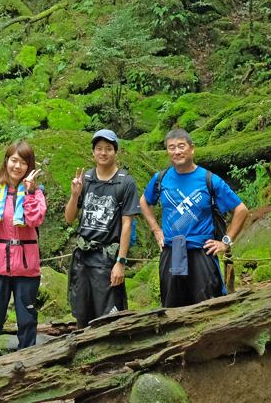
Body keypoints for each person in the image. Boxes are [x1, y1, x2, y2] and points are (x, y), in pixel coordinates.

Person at [138, 129, 249, 308]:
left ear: (192, 149)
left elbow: (241, 210)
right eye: (171, 147)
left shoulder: (209, 179)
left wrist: (226, 242)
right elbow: (144, 201)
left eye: (181, 146)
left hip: (202, 251)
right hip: (171, 250)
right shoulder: (161, 179)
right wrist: (156, 229)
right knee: (171, 306)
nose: (177, 151)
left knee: (208, 307)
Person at [0, 141, 46, 365]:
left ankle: (27, 359)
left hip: (26, 266)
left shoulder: (37, 193)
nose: (17, 166)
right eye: (14, 160)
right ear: (6, 161)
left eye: (23, 162)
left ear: (29, 167)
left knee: (27, 317)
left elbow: (34, 220)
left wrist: (30, 192)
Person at [64, 129, 140, 328]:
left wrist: (120, 263)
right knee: (82, 314)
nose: (103, 153)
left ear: (116, 152)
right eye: (99, 148)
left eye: (108, 148)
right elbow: (70, 218)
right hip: (82, 258)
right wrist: (74, 195)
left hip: (107, 259)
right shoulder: (86, 179)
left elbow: (127, 225)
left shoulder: (126, 182)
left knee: (109, 318)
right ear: (93, 152)